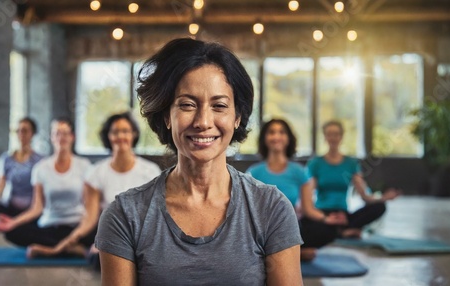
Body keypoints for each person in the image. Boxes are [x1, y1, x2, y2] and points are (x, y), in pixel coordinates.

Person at [96, 38, 303, 285]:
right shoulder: (125, 215)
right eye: (187, 104)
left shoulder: (271, 208)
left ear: (237, 116)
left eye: (219, 106)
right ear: (166, 116)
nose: (203, 122)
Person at [37, 112, 161, 267]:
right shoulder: (96, 172)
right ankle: (84, 250)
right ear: (108, 136)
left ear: (134, 134)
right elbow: (90, 217)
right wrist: (66, 242)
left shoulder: (150, 171)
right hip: (110, 232)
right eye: (115, 132)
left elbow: (155, 215)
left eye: (125, 131)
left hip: (140, 233)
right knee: (100, 260)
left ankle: (83, 250)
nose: (120, 136)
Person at [300, 120, 400, 260]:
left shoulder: (351, 163)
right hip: (322, 214)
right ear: (325, 136)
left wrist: (383, 198)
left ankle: (342, 229)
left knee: (379, 206)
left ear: (341, 136)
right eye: (329, 134)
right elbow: (308, 193)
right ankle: (343, 231)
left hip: (343, 215)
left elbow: (365, 196)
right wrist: (308, 210)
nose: (333, 137)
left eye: (336, 134)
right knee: (306, 225)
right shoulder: (316, 164)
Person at [0, 118, 94, 258]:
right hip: (49, 226)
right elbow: (37, 208)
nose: (61, 137)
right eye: (57, 133)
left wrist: (81, 230)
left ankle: (53, 249)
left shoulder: (85, 166)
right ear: (51, 137)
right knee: (12, 232)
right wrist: (13, 222)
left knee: (101, 231)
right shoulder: (41, 168)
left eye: (65, 133)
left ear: (72, 137)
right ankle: (71, 249)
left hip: (76, 226)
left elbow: (89, 208)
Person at [0, 117, 43, 222]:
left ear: (32, 133)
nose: (21, 134)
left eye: (25, 130)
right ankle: (10, 222)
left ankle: (19, 222)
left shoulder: (39, 160)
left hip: (31, 209)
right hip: (10, 207)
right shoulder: (6, 158)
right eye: (18, 131)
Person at [246, 119, 308, 208]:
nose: (276, 137)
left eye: (282, 132)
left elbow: (307, 209)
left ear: (288, 138)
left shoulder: (299, 171)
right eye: (271, 132)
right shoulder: (253, 173)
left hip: (293, 221)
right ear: (264, 138)